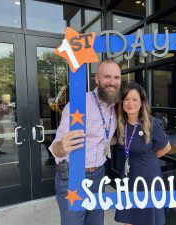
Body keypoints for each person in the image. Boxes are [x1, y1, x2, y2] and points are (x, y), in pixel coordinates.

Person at [49, 59, 121, 225]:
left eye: (116, 77)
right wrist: (61, 146)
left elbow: (103, 137)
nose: (112, 82)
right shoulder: (79, 105)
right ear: (97, 79)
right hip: (73, 176)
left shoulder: (115, 107)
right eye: (107, 77)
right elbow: (56, 148)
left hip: (99, 175)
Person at [114, 83, 171, 225]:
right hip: (128, 177)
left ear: (141, 103)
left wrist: (149, 158)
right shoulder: (120, 124)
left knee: (148, 218)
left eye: (134, 99)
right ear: (121, 102)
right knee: (129, 218)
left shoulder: (152, 123)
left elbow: (167, 147)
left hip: (148, 177)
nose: (130, 103)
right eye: (126, 99)